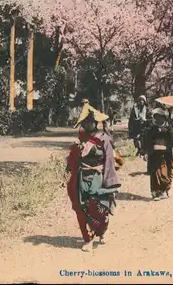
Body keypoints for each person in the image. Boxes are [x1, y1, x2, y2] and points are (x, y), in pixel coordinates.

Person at [66, 103, 121, 252]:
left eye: (91, 121)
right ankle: (88, 239)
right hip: (82, 177)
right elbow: (72, 160)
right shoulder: (81, 139)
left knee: (97, 207)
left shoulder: (104, 139)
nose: (88, 124)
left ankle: (102, 229)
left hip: (98, 176)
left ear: (96, 122)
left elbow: (109, 160)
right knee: (81, 207)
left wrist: (109, 182)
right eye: (85, 122)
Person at [145, 108, 173, 201]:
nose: (157, 120)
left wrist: (166, 147)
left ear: (164, 118)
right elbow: (148, 141)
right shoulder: (152, 129)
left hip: (166, 154)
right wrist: (148, 150)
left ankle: (164, 190)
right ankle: (156, 192)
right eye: (156, 118)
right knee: (155, 173)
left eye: (159, 118)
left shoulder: (169, 129)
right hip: (154, 154)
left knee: (165, 173)